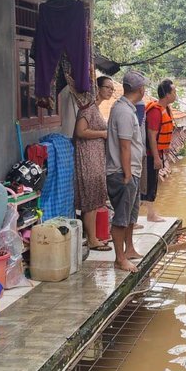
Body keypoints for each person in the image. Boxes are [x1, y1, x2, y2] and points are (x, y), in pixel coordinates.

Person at [106, 70, 147, 273]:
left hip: (132, 171)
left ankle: (129, 249)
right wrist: (128, 173)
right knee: (121, 218)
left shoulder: (128, 109)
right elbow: (124, 146)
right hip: (123, 172)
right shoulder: (123, 112)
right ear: (140, 90)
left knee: (131, 215)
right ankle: (119, 259)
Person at [74, 76, 114, 251]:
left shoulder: (96, 108)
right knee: (90, 197)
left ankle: (92, 236)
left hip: (96, 156)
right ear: (97, 88)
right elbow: (80, 132)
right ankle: (92, 239)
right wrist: (102, 134)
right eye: (107, 87)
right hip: (88, 156)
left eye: (112, 89)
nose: (111, 91)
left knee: (95, 196)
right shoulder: (88, 107)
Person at [142, 79, 177, 222]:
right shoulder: (155, 111)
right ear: (167, 95)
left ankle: (150, 213)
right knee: (149, 183)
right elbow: (151, 135)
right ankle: (150, 214)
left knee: (153, 183)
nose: (176, 95)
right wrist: (156, 157)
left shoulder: (165, 109)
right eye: (174, 92)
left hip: (159, 153)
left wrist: (165, 152)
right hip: (150, 155)